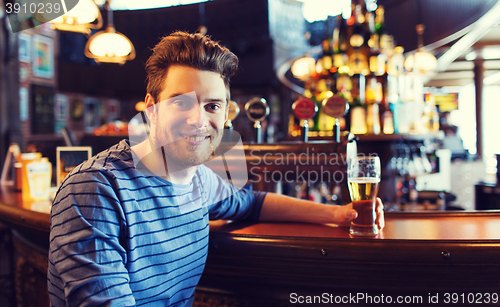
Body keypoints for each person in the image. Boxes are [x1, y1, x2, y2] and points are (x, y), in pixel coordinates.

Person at [47, 31, 384, 307]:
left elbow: (253, 202)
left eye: (211, 106)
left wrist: (338, 214)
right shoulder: (95, 189)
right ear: (151, 110)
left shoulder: (200, 181)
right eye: (181, 102)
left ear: (224, 116)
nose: (198, 119)